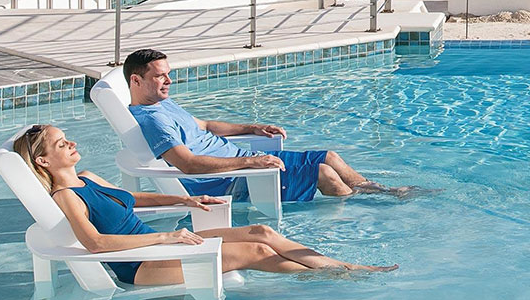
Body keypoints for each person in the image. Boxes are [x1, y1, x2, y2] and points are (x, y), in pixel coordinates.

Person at [12, 124, 393, 282]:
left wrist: (185, 198)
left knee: (261, 230)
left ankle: (344, 265)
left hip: (159, 246)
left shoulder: (87, 178)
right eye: (62, 144)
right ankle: (334, 273)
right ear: (44, 161)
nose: (72, 144)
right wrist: (164, 239)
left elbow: (133, 197)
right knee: (257, 249)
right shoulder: (66, 195)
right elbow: (96, 242)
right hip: (140, 267)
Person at [123, 48, 415, 203]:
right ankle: (362, 213)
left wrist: (251, 127)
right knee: (325, 175)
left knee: (329, 156)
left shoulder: (162, 103)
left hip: (242, 162)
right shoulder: (153, 119)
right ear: (136, 81)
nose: (169, 81)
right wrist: (250, 163)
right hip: (233, 179)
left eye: (168, 74)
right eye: (161, 76)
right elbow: (187, 164)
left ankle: (382, 193)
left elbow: (207, 124)